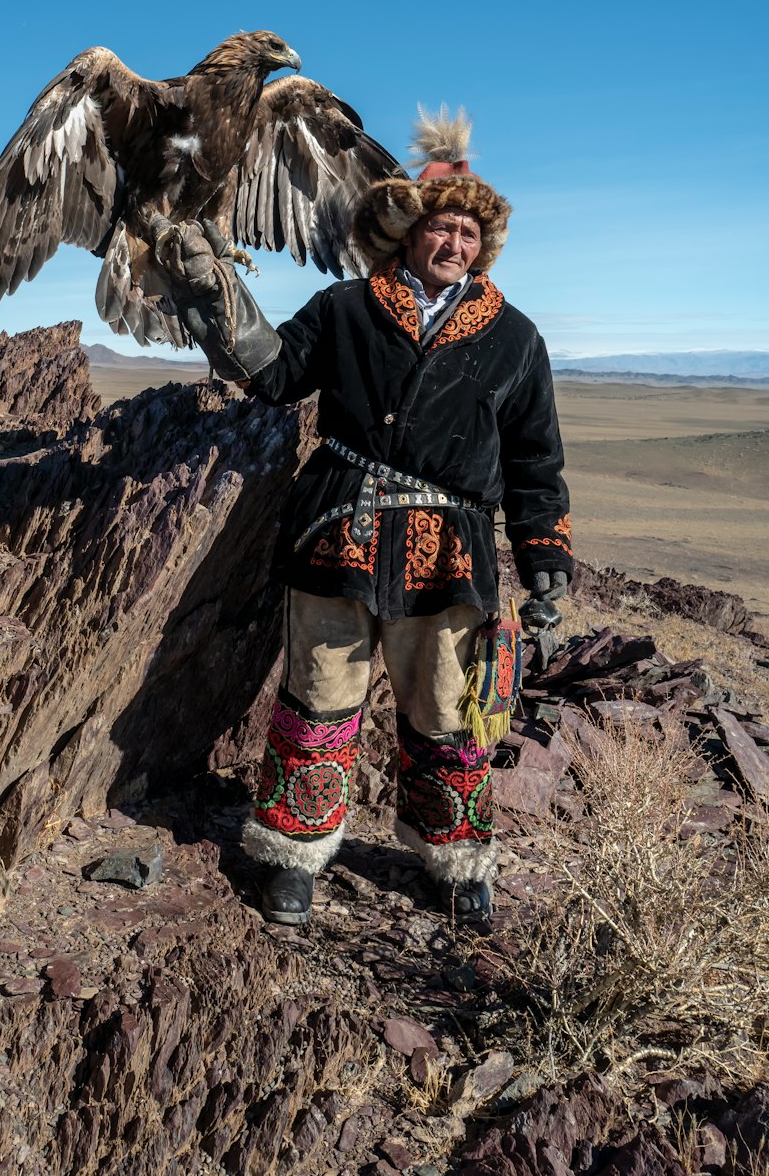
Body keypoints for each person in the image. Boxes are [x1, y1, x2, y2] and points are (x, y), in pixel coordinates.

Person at [160, 108, 572, 927]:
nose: (451, 243)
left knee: (448, 712)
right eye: (438, 227)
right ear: (406, 233)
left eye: (465, 233)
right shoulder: (345, 307)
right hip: (337, 536)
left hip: (451, 557)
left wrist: (545, 559)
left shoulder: (516, 339)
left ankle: (452, 860)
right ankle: (294, 854)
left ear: (481, 247)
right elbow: (274, 375)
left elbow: (535, 457)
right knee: (319, 697)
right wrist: (218, 298)